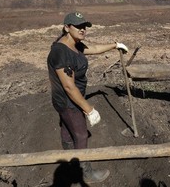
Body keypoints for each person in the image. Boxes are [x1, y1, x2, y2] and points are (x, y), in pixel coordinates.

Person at [47, 11, 128, 184]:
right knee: (82, 135)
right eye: (78, 26)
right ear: (67, 27)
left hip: (65, 101)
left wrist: (115, 45)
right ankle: (86, 173)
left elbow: (96, 49)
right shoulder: (61, 52)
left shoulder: (75, 45)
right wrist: (89, 109)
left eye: (84, 26)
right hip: (69, 102)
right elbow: (69, 87)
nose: (83, 29)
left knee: (68, 131)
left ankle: (69, 162)